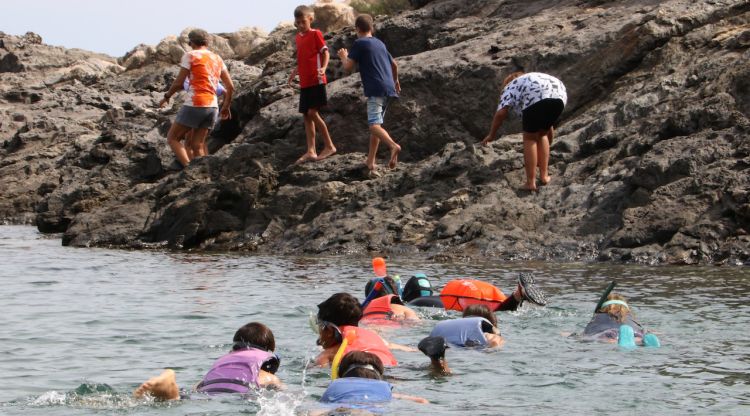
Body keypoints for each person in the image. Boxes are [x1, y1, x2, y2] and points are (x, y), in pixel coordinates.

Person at [133, 322, 281, 400]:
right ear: (267, 353)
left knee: (183, 399)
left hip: (205, 391)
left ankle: (171, 392)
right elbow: (287, 396)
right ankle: (171, 395)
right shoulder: (266, 376)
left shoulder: (222, 364)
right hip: (235, 397)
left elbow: (198, 387)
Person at [337, 14, 401, 177]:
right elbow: (394, 65)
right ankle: (370, 161)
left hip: (375, 89)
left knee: (373, 125)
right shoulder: (379, 43)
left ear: (357, 29)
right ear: (371, 28)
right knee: (377, 125)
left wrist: (344, 56)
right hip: (388, 88)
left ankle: (393, 146)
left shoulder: (359, 43)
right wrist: (396, 82)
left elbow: (348, 68)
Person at [481, 71, 567, 191]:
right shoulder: (530, 80)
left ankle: (530, 182)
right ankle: (544, 176)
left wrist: (491, 135)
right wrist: (547, 148)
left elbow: (501, 113)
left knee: (530, 138)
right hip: (560, 94)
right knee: (542, 134)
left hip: (537, 96)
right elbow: (548, 129)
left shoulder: (510, 86)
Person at [160, 29, 234, 167]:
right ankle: (203, 173)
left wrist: (167, 96)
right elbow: (230, 87)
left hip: (196, 103)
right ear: (207, 42)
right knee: (197, 144)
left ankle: (188, 169)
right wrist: (226, 106)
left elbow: (179, 82)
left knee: (172, 138)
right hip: (213, 106)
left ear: (191, 42)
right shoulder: (217, 58)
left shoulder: (191, 55)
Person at [287, 5, 336, 165]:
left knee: (313, 112)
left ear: (311, 19)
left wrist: (323, 67)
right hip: (305, 82)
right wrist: (295, 72)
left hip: (316, 80)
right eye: (298, 22)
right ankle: (311, 150)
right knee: (306, 116)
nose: (301, 25)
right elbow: (302, 58)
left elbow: (325, 52)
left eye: (303, 21)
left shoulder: (316, 34)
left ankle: (329, 145)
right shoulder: (298, 38)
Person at [314, 293, 414, 367]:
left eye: (319, 326)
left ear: (330, 330)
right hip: (391, 369)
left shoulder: (328, 355)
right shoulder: (375, 338)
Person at [317, 351, 428, 412]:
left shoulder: (337, 387)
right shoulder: (383, 389)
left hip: (341, 407)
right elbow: (422, 401)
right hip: (374, 407)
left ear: (341, 376)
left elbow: (320, 407)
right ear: (379, 376)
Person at [419, 304, 504, 375]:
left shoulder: (447, 331)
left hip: (450, 347)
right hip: (470, 354)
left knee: (435, 369)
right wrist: (497, 334)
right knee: (448, 375)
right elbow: (494, 342)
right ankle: (439, 361)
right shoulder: (486, 334)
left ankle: (437, 360)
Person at [440, 273, 548, 312]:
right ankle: (517, 295)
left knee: (497, 311)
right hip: (493, 296)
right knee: (498, 308)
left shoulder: (438, 299)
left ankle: (517, 295)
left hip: (465, 298)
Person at [583, 293, 660, 347]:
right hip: (634, 332)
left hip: (606, 333)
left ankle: (617, 341)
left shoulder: (598, 316)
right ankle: (642, 340)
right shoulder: (629, 316)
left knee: (605, 339)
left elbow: (583, 334)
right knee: (639, 336)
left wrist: (573, 335)